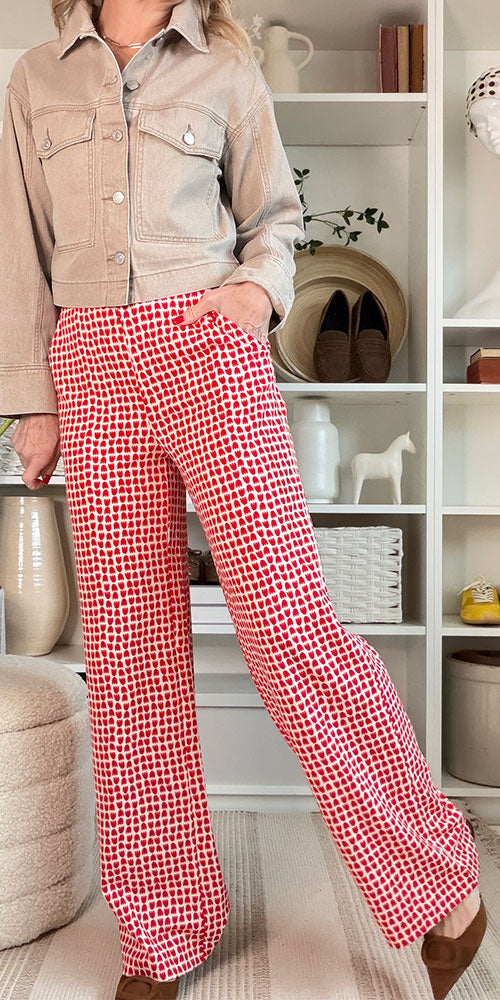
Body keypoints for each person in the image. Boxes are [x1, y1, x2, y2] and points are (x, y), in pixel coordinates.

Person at [0, 1, 487, 998]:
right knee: (129, 658)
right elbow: (17, 253)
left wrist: (251, 296)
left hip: (207, 345)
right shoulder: (36, 77)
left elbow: (276, 221)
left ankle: (439, 878)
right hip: (89, 363)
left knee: (287, 625)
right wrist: (30, 400)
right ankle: (164, 928)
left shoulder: (224, 69)